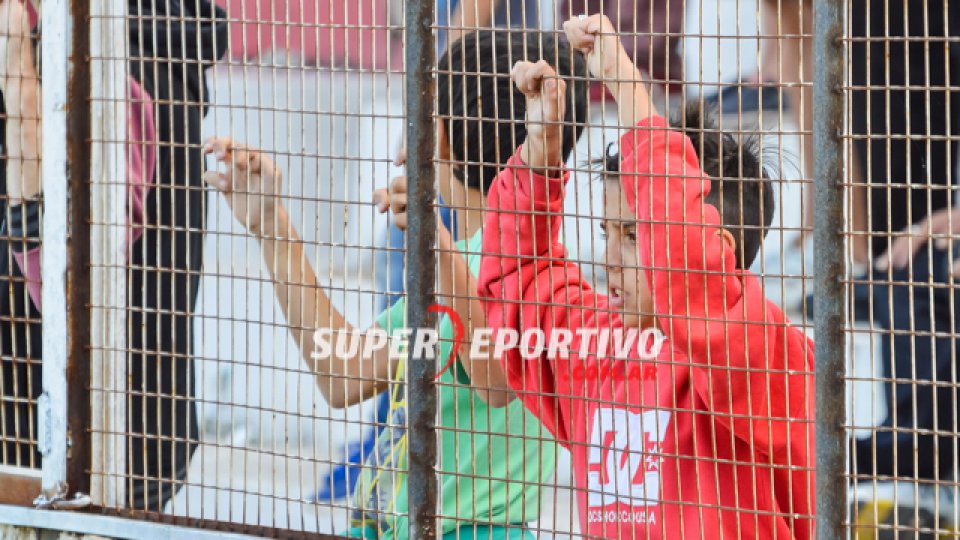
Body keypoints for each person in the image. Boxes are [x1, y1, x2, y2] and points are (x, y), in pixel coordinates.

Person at [203, 29, 588, 540]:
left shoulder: (479, 264)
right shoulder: (549, 270)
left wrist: (274, 225)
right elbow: (344, 375)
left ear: (438, 136)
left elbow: (347, 371)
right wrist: (270, 221)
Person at [478, 14, 815, 538]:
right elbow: (520, 282)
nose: (610, 258)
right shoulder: (597, 341)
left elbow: (689, 267)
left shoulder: (768, 350)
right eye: (609, 231)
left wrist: (627, 87)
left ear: (718, 247)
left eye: (633, 234)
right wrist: (539, 157)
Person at [0, 0, 227, 512]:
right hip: (126, 428)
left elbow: (62, 273)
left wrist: (17, 72)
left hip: (74, 446)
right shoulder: (132, 42)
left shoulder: (95, 58)